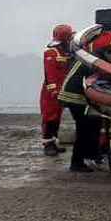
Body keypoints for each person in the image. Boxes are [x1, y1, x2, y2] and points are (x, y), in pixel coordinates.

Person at [58, 32, 111, 172]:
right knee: (84, 129)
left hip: (72, 94)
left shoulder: (90, 57)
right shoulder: (96, 61)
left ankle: (92, 154)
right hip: (75, 96)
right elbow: (106, 79)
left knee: (93, 124)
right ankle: (76, 163)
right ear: (107, 53)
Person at [40, 24, 73, 156]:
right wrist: (54, 91)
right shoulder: (51, 53)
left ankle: (53, 142)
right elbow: (50, 75)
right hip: (51, 92)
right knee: (50, 117)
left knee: (57, 117)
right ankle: (48, 144)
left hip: (61, 90)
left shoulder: (65, 52)